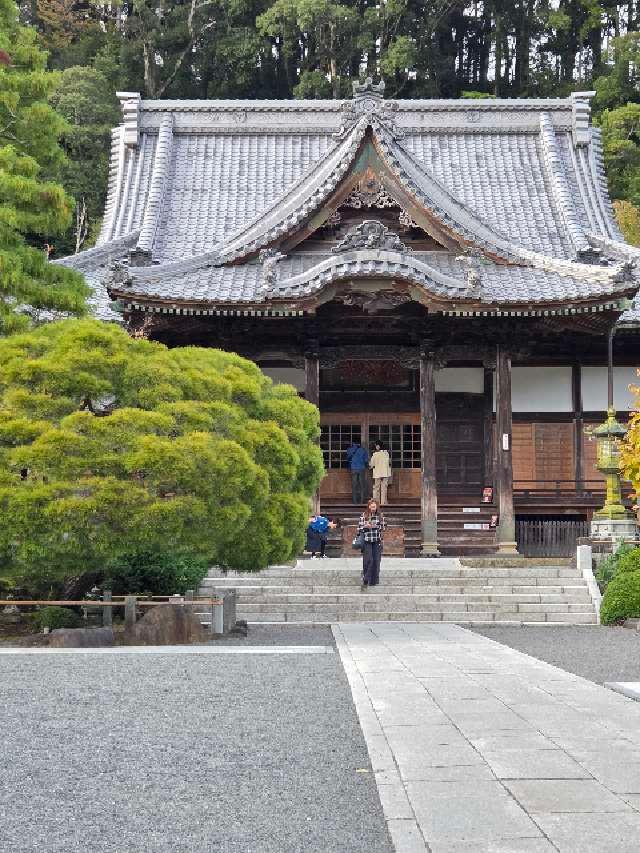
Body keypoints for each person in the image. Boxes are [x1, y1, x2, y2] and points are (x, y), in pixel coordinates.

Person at [357, 499, 386, 587]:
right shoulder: (364, 516)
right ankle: (366, 578)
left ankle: (374, 580)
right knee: (368, 560)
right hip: (367, 541)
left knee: (376, 560)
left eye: (374, 506)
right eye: (371, 506)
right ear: (369, 506)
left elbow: (383, 528)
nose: (373, 508)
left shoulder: (380, 516)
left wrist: (376, 526)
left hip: (377, 541)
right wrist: (366, 527)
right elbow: (359, 529)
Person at [346, 440, 369, 505]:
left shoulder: (350, 450)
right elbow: (366, 460)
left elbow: (347, 458)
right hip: (361, 468)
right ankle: (362, 501)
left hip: (353, 468)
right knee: (362, 485)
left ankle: (355, 502)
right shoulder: (363, 450)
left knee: (354, 485)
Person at [369, 442, 392, 506]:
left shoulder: (375, 454)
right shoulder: (386, 453)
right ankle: (384, 502)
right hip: (385, 473)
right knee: (384, 488)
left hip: (377, 473)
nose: (375, 447)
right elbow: (389, 463)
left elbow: (371, 464)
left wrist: (370, 465)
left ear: (378, 446)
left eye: (376, 446)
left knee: (376, 489)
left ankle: (376, 502)